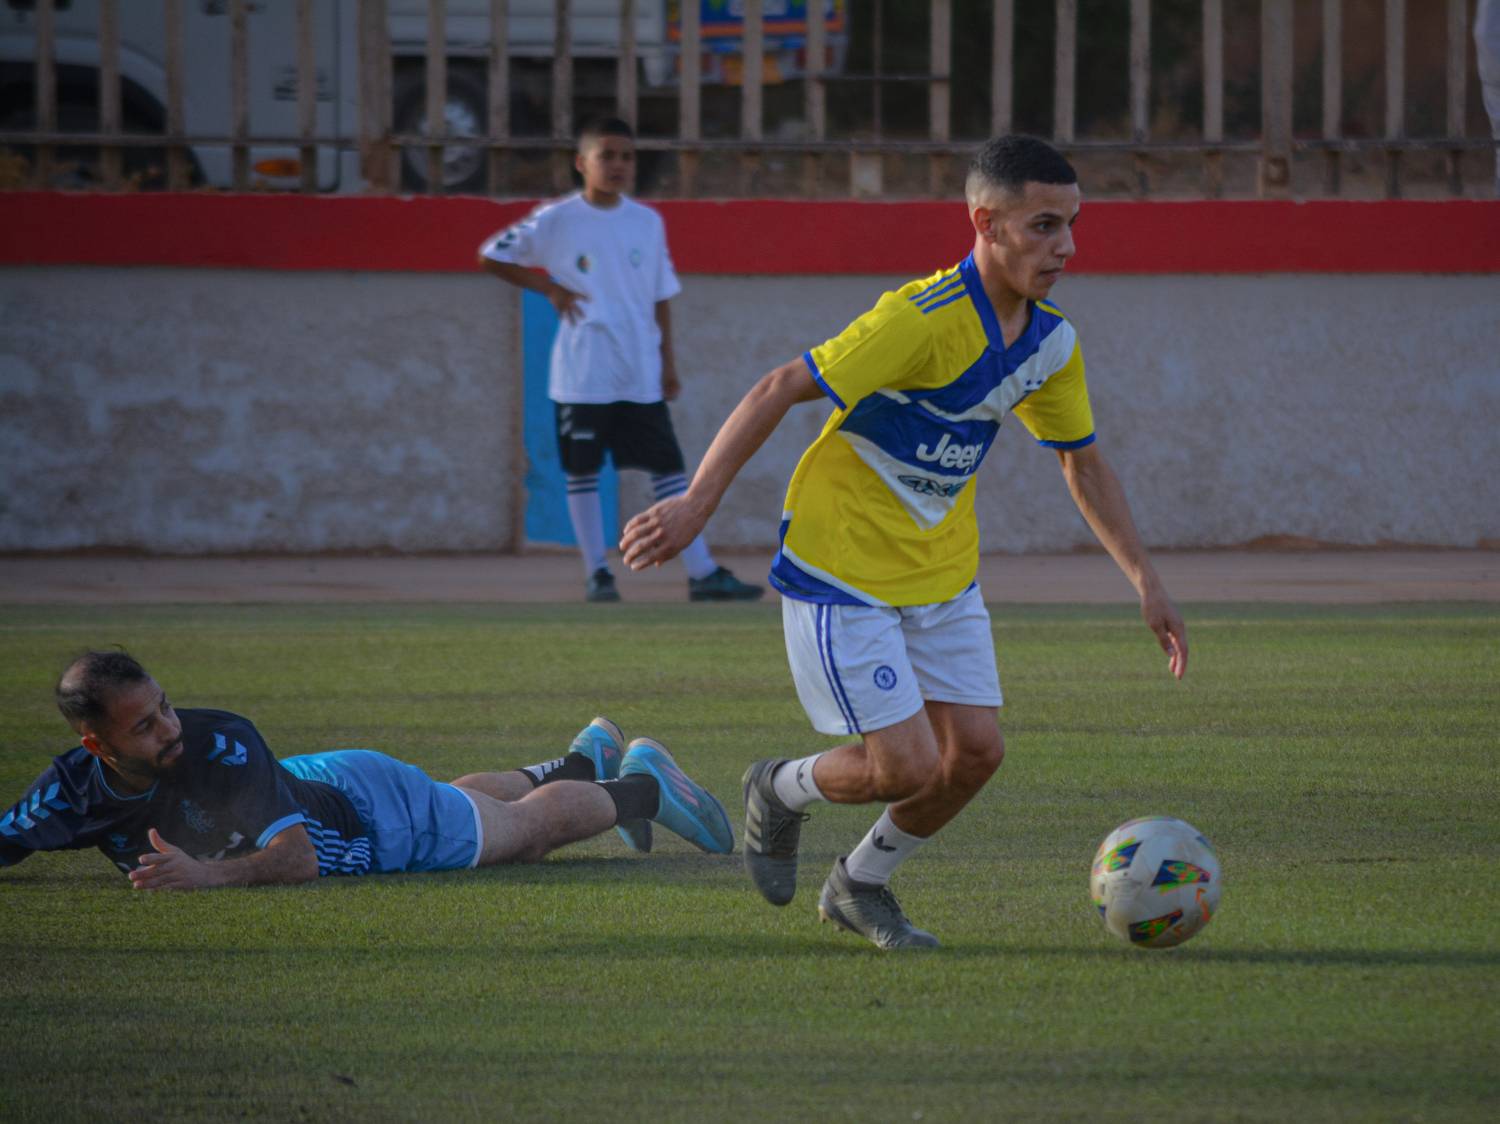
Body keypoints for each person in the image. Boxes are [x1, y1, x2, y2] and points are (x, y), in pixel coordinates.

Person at [620, 135, 1188, 950]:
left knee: (977, 754)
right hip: (842, 563)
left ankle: (858, 884)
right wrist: (694, 505)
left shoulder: (1051, 344)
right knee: (906, 766)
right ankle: (778, 787)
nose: (1066, 246)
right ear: (985, 223)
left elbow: (1083, 463)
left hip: (941, 571)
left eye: (1071, 224)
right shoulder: (918, 319)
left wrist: (1146, 582)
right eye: (1043, 226)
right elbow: (780, 387)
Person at [0, 650, 733, 890]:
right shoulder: (68, 793)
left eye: (164, 707)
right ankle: (579, 762)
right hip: (327, 782)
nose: (170, 729)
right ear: (95, 746)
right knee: (454, 802)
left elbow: (298, 859)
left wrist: (207, 875)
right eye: (144, 726)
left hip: (366, 820)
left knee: (519, 834)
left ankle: (642, 787)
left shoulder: (218, 742)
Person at [477, 116, 763, 604]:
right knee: (583, 473)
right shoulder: (557, 218)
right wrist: (549, 288)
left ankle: (702, 573)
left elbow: (660, 294)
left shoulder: (647, 222)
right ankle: (597, 573)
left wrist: (667, 362)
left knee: (669, 470)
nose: (617, 165)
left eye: (626, 157)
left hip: (639, 373)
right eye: (606, 155)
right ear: (581, 162)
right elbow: (491, 255)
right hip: (582, 374)